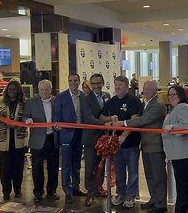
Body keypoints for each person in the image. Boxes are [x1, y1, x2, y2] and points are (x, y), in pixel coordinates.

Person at [113, 80, 168, 213]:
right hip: (146, 145)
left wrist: (123, 123)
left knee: (158, 175)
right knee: (149, 175)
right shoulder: (146, 103)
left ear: (156, 90)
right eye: (144, 88)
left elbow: (144, 120)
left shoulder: (158, 105)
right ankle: (154, 199)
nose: (145, 91)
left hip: (156, 146)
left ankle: (160, 204)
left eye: (148, 88)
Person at [100, 75, 142, 208]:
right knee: (118, 171)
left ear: (127, 86)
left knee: (133, 171)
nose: (117, 87)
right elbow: (101, 116)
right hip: (116, 144)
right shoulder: (112, 101)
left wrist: (123, 136)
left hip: (131, 143)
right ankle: (120, 194)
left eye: (120, 84)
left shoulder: (134, 100)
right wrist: (109, 118)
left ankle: (131, 196)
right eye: (116, 84)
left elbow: (134, 120)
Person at [0, 79, 28, 201]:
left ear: (18, 91)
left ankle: (18, 189)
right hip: (4, 141)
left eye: (15, 89)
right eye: (10, 89)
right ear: (6, 91)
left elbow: (28, 120)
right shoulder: (0, 102)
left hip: (19, 141)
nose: (12, 92)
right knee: (5, 168)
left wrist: (16, 126)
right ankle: (6, 191)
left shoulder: (24, 103)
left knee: (18, 167)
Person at [162, 85, 188, 213]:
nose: (171, 97)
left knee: (183, 187)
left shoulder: (182, 107)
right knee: (186, 187)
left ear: (181, 95)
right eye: (169, 95)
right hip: (179, 154)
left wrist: (172, 127)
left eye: (174, 94)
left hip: (183, 154)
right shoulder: (175, 108)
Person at [23, 79, 60, 202]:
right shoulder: (31, 101)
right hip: (37, 140)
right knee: (37, 168)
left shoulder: (56, 100)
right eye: (42, 90)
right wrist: (27, 119)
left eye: (46, 89)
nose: (44, 92)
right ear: (38, 90)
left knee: (53, 167)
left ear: (51, 90)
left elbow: (60, 116)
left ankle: (52, 191)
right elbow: (25, 116)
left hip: (52, 138)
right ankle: (38, 192)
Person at [53, 74, 87, 204]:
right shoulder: (61, 97)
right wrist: (56, 124)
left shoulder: (84, 96)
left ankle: (76, 187)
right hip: (66, 134)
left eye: (75, 80)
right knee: (66, 164)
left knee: (77, 163)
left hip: (80, 134)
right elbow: (57, 115)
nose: (73, 82)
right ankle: (67, 190)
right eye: (70, 80)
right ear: (68, 82)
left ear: (79, 82)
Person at [80, 73, 110, 207]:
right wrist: (105, 124)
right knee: (90, 167)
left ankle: (98, 188)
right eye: (93, 84)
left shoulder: (107, 96)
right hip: (91, 138)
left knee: (101, 166)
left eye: (98, 83)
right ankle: (90, 193)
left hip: (104, 137)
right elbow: (88, 118)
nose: (96, 86)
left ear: (103, 83)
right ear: (90, 85)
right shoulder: (86, 99)